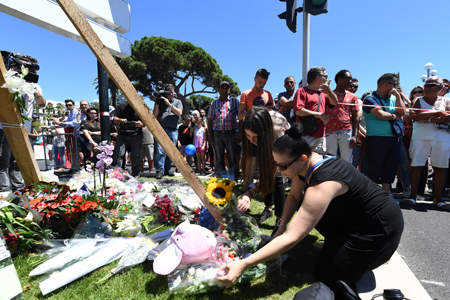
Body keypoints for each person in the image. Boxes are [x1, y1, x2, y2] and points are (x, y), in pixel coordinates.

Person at [218, 123, 404, 294]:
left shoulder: (323, 183)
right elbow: (294, 196)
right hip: (357, 217)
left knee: (328, 274)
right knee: (307, 208)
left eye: (282, 166)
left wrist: (244, 264)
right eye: (276, 164)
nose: (279, 171)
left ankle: (375, 254)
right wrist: (281, 227)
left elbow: (293, 237)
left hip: (379, 228)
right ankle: (340, 243)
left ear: (302, 158)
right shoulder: (307, 163)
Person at [237, 107, 289, 235]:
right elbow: (264, 175)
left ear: (264, 133)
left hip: (281, 142)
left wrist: (250, 192)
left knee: (277, 179)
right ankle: (268, 207)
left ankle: (280, 220)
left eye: (255, 137)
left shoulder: (277, 134)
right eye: (248, 136)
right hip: (267, 139)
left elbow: (272, 174)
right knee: (264, 171)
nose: (251, 141)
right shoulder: (253, 131)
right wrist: (249, 192)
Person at [0, 53, 45, 193]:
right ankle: (3, 191)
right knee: (3, 161)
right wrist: (10, 74)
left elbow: (42, 105)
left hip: (23, 129)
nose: (35, 72)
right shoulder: (8, 78)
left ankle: (19, 189)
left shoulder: (35, 85)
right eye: (31, 69)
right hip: (4, 128)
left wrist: (37, 91)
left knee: (19, 161)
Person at [407, 76, 450, 209]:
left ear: (440, 87)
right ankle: (412, 196)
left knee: (440, 168)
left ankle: (438, 198)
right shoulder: (418, 100)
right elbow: (414, 115)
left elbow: (448, 116)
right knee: (417, 166)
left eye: (432, 85)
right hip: (420, 136)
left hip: (441, 137)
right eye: (426, 85)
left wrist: (428, 119)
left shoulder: (446, 100)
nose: (428, 88)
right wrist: (436, 113)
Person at [362, 73, 405, 193]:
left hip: (394, 138)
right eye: (394, 84)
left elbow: (403, 112)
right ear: (385, 85)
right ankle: (372, 195)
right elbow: (381, 115)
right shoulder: (369, 99)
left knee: (390, 167)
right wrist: (394, 116)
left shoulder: (393, 98)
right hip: (377, 139)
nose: (396, 87)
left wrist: (398, 96)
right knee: (374, 169)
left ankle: (386, 194)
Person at [238, 69, 274, 192]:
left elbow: (271, 113)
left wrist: (268, 109)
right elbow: (240, 115)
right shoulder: (246, 94)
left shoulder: (268, 94)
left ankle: (263, 185)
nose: (262, 85)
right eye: (260, 82)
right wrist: (256, 110)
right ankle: (245, 185)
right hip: (250, 133)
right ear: (255, 79)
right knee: (248, 159)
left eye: (264, 82)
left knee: (264, 159)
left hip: (263, 134)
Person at [293, 67, 338, 152]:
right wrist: (320, 115)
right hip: (305, 135)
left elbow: (335, 103)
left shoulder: (323, 94)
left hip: (320, 135)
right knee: (304, 162)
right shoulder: (301, 91)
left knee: (319, 162)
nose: (326, 79)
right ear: (317, 77)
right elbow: (299, 111)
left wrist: (329, 92)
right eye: (325, 76)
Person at [325, 70, 359, 162]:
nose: (350, 82)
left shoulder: (353, 96)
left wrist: (355, 135)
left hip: (346, 131)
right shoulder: (327, 94)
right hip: (329, 132)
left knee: (346, 160)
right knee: (329, 160)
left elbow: (356, 117)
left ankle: (345, 177)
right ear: (339, 79)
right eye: (348, 79)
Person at [207, 81, 239, 179]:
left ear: (229, 90)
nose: (225, 90)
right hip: (217, 135)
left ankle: (234, 179)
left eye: (226, 88)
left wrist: (240, 134)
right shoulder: (214, 103)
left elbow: (241, 118)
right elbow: (210, 121)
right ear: (219, 90)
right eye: (222, 88)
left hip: (231, 133)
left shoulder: (234, 101)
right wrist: (210, 136)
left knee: (232, 158)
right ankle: (222, 180)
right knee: (219, 158)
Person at [153, 84, 183, 179]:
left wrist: (169, 104)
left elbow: (179, 113)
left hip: (173, 130)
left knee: (171, 151)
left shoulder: (177, 102)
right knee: (159, 150)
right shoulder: (160, 101)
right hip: (161, 129)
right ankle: (159, 170)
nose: (171, 94)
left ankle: (167, 169)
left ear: (174, 92)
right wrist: (157, 102)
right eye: (168, 92)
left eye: (172, 92)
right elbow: (155, 115)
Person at [112, 101, 144, 177]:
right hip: (122, 134)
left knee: (136, 154)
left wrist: (141, 124)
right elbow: (114, 118)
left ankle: (136, 173)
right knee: (119, 154)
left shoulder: (141, 106)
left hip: (136, 134)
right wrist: (120, 120)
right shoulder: (122, 105)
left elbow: (147, 122)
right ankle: (117, 173)